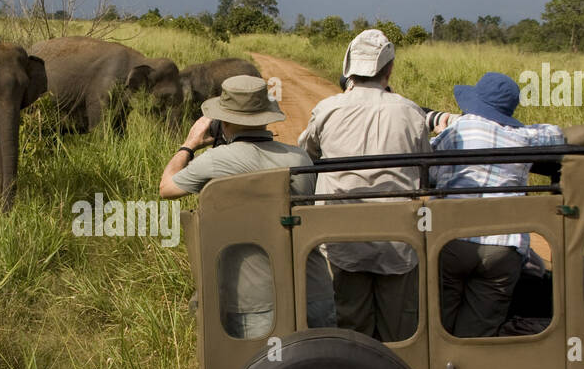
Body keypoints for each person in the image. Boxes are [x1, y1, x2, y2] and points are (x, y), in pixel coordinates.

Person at [298, 29, 446, 342]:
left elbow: (307, 156)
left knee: (351, 325)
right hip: (398, 240)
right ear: (388, 70)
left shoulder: (327, 109)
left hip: (342, 237)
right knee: (400, 332)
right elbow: (425, 167)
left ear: (348, 68)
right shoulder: (410, 112)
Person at [161, 75, 335, 337]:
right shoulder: (300, 158)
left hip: (254, 302)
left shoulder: (216, 161)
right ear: (265, 117)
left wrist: (189, 143)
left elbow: (166, 188)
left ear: (225, 121)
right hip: (314, 291)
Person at [430, 71, 581, 337]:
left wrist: (446, 124)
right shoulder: (524, 136)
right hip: (504, 248)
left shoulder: (461, 128)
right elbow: (564, 135)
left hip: (453, 239)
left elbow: (429, 162)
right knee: (478, 332)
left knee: (440, 321)